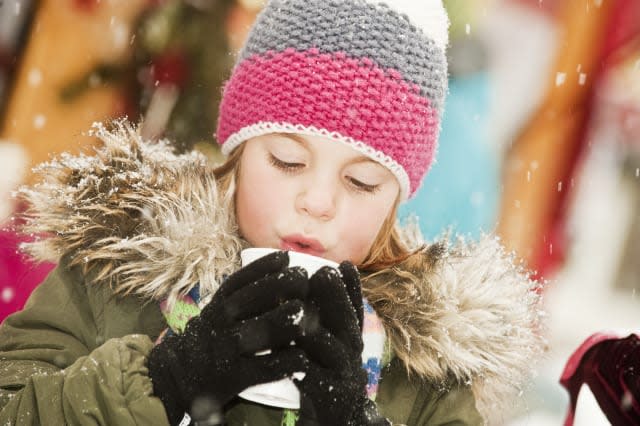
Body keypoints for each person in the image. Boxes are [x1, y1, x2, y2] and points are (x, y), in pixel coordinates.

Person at [0, 0, 545, 425]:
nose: (318, 201)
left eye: (361, 181)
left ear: (395, 201)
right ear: (237, 152)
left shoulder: (427, 372)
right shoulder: (116, 273)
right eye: (287, 161)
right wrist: (163, 382)